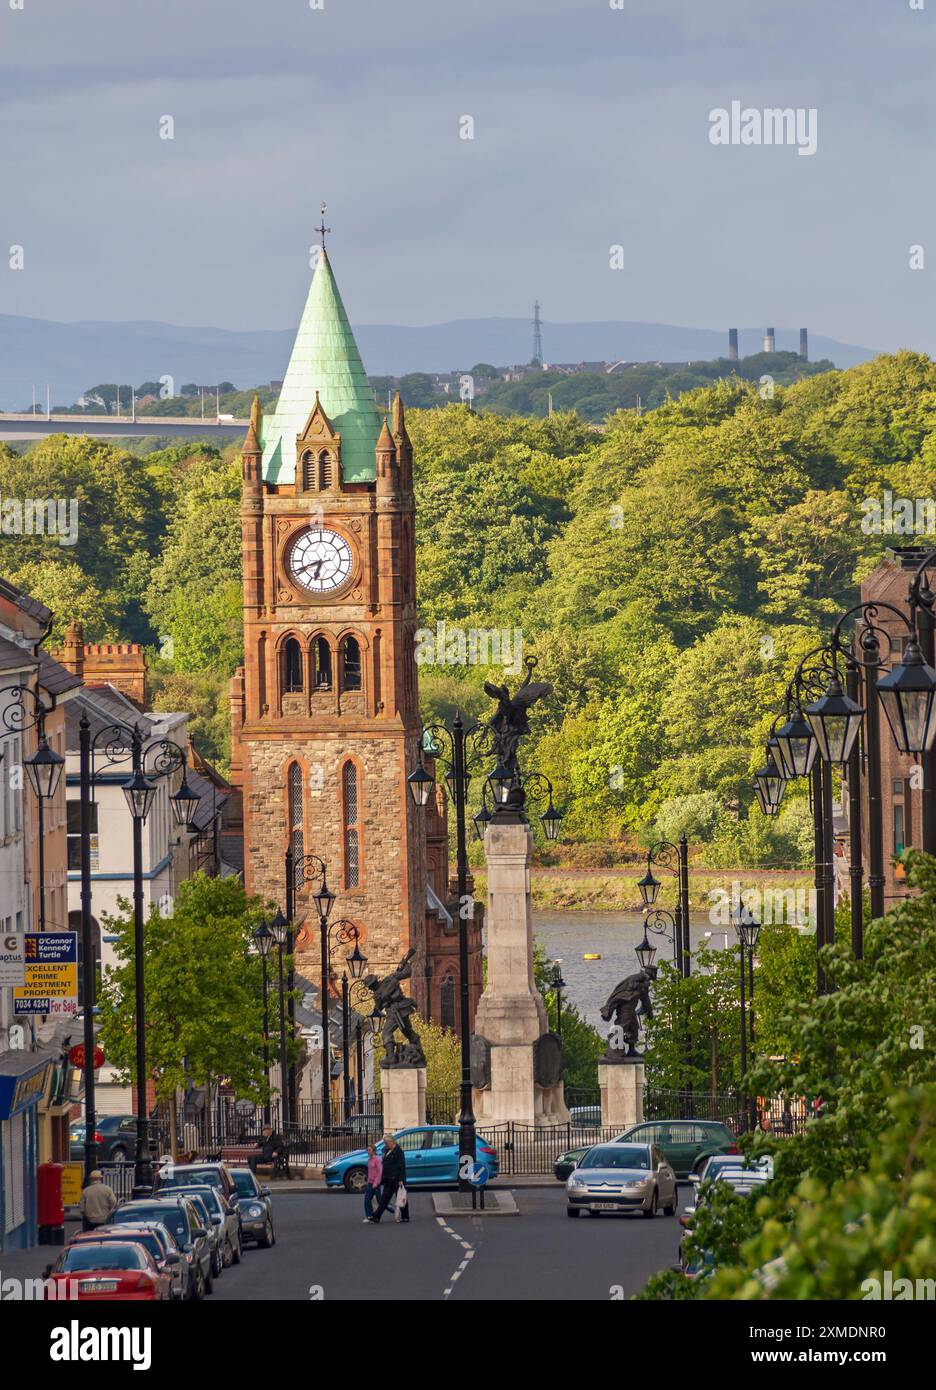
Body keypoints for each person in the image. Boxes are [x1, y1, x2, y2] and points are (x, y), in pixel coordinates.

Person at [373, 1134, 408, 1224]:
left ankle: (405, 1216)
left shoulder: (398, 1151)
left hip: (396, 1179)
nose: (385, 1144)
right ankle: (376, 1217)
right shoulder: (387, 1150)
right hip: (388, 1179)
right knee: (385, 1199)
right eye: (385, 1143)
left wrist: (401, 1179)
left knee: (401, 1198)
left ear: (392, 1142)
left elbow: (401, 1166)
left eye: (386, 1143)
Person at [363, 1143, 382, 1223]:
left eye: (369, 1150)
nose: (368, 1152)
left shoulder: (377, 1159)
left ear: (374, 1151)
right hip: (370, 1183)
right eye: (367, 1150)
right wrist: (368, 1182)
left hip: (376, 1183)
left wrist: (376, 1182)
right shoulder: (369, 1159)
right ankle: (369, 1216)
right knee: (367, 1199)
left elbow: (380, 1172)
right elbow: (370, 1172)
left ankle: (387, 1209)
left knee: (379, 1201)